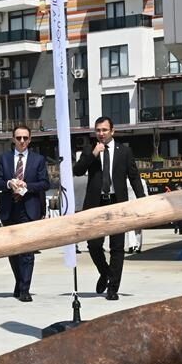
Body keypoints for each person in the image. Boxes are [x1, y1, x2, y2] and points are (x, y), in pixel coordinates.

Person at [73, 116, 144, 301]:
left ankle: (113, 288)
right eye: (98, 130)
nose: (101, 133)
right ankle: (105, 273)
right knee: (94, 245)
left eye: (104, 130)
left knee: (117, 247)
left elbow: (134, 176)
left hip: (117, 202)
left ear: (112, 131)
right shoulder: (90, 149)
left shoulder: (124, 151)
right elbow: (78, 170)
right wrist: (93, 154)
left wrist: (142, 200)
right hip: (95, 203)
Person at [0, 125, 48, 301]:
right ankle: (19, 282)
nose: (22, 141)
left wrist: (27, 186)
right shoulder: (4, 159)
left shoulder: (38, 160)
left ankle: (25, 289)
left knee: (27, 251)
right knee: (13, 251)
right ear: (13, 139)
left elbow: (45, 183)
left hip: (29, 208)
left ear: (30, 139)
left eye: (25, 138)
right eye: (19, 138)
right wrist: (9, 184)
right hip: (10, 209)